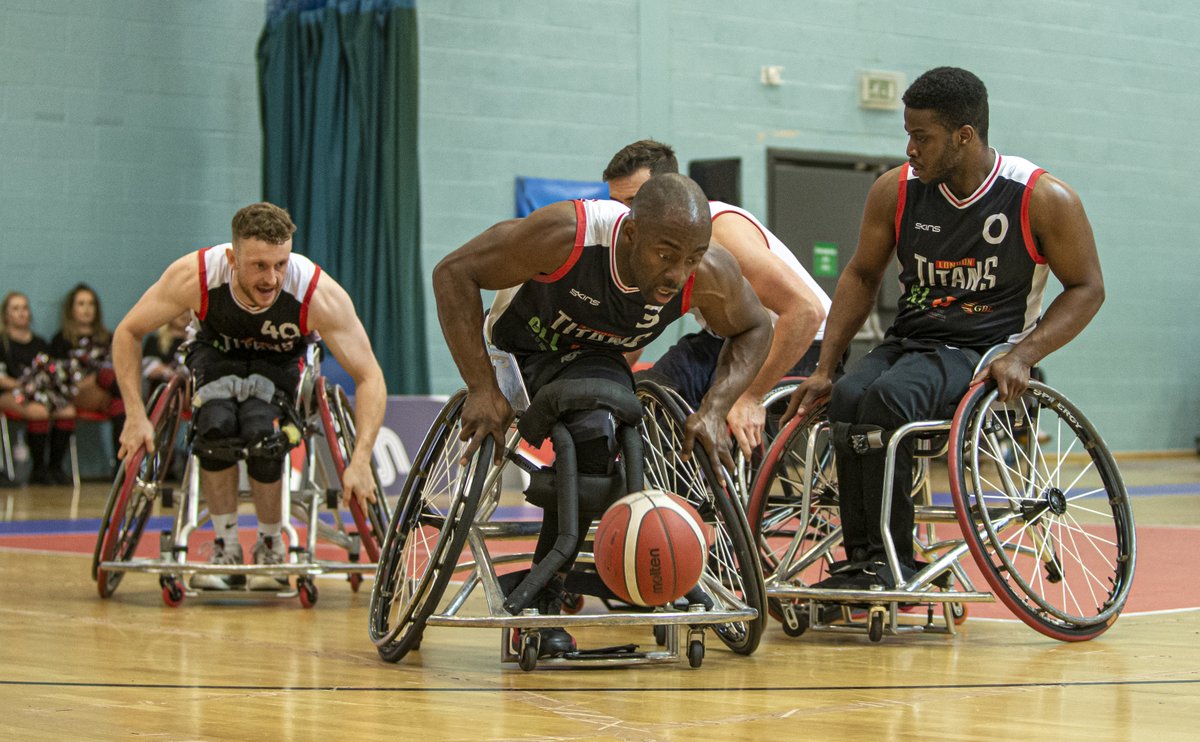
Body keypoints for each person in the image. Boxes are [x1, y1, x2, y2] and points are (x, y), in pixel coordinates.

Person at [785, 66, 1105, 589]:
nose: (910, 148)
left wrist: (1024, 354)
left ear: (964, 136)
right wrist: (824, 367)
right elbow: (862, 274)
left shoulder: (1040, 197)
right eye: (907, 135)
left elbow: (1088, 287)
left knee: (887, 402)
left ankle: (893, 561)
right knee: (847, 396)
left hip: (984, 349)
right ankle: (866, 557)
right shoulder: (896, 190)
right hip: (912, 340)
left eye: (921, 137)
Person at [433, 173, 771, 655]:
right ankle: (544, 599)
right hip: (521, 348)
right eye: (666, 254)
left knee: (605, 436)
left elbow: (756, 325)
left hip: (597, 360)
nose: (678, 273)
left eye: (691, 258)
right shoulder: (566, 235)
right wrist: (481, 386)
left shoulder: (706, 272)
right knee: (586, 433)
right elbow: (452, 273)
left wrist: (716, 408)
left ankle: (619, 570)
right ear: (631, 234)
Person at [112, 202, 387, 591]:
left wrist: (359, 460)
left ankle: (272, 543)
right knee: (215, 425)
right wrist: (135, 416)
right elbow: (127, 332)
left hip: (281, 360)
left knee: (265, 431)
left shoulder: (315, 291)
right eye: (259, 265)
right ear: (232, 258)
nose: (272, 278)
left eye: (280, 264)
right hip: (217, 352)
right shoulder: (196, 276)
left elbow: (370, 375)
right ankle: (225, 545)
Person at [603, 140, 833, 457]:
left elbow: (806, 311)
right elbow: (636, 330)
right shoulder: (643, 244)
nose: (625, 216)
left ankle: (725, 496)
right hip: (725, 338)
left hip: (801, 340)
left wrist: (750, 396)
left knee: (728, 416)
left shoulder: (720, 229)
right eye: (616, 204)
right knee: (644, 396)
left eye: (633, 202)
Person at [0, 292, 77, 485]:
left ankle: (55, 467)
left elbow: (51, 372)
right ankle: (38, 468)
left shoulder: (40, 343)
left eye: (24, 308)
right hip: (12, 392)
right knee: (39, 412)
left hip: (41, 392)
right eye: (15, 309)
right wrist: (24, 385)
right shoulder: (2, 342)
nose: (21, 313)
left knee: (68, 410)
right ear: (6, 314)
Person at [51, 283, 125, 469]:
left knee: (120, 405)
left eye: (91, 304)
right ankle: (137, 399)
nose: (87, 309)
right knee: (104, 375)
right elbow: (59, 378)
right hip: (77, 393)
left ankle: (121, 468)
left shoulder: (108, 337)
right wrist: (91, 380)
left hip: (106, 394)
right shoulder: (61, 340)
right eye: (81, 304)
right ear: (71, 309)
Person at [141, 311, 193, 397]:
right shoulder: (155, 340)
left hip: (183, 396)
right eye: (181, 311)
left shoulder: (193, 344)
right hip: (156, 394)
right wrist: (168, 372)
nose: (184, 315)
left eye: (187, 312)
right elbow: (146, 367)